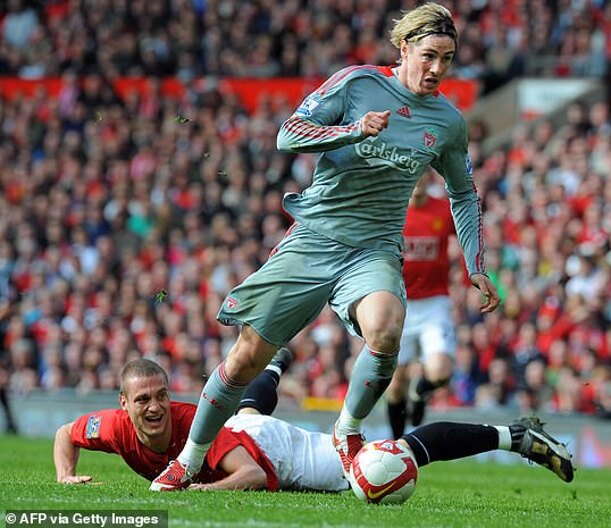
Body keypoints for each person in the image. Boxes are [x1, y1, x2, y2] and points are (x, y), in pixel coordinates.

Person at [150, 2, 501, 491]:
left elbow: (463, 192)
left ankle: (347, 431)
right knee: (246, 358)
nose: (437, 69)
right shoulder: (357, 84)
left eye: (447, 59)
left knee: (386, 329)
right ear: (404, 48)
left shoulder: (447, 121)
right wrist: (352, 130)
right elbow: (288, 134)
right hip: (315, 238)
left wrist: (475, 263)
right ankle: (189, 460)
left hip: (374, 248)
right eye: (429, 55)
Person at [54, 359, 574, 491]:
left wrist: (202, 491)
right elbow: (65, 435)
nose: (154, 408)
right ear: (123, 404)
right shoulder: (112, 428)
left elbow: (252, 475)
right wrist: (64, 475)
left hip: (282, 455)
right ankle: (276, 361)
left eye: (161, 397)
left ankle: (514, 436)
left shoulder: (193, 425)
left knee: (381, 466)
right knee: (248, 414)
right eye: (142, 400)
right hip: (246, 429)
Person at [387, 171, 459, 439]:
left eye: (422, 174)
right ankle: (397, 444)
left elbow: (468, 234)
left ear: (429, 177)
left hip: (434, 303)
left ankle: (420, 392)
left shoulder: (443, 209)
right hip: (399, 303)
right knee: (395, 384)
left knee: (440, 372)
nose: (417, 180)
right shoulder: (391, 209)